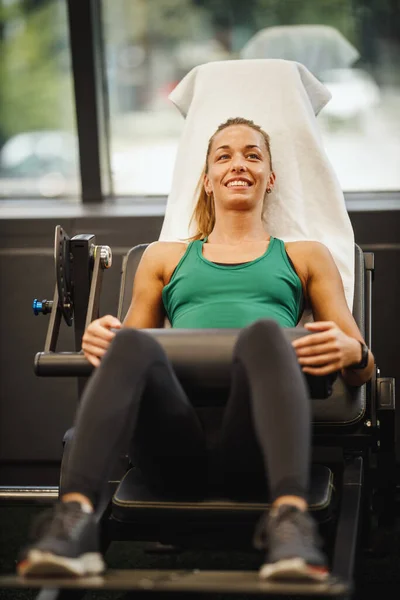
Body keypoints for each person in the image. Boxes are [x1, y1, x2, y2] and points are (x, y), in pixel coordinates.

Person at [17, 117, 374, 582]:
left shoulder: (304, 255)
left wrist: (353, 354)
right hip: (171, 444)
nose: (238, 164)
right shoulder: (165, 256)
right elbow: (128, 358)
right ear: (207, 181)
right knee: (129, 339)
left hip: (258, 447)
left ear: (271, 177)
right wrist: (101, 341)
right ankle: (73, 524)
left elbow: (362, 367)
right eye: (223, 156)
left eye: (252, 154)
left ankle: (290, 525)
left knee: (266, 334)